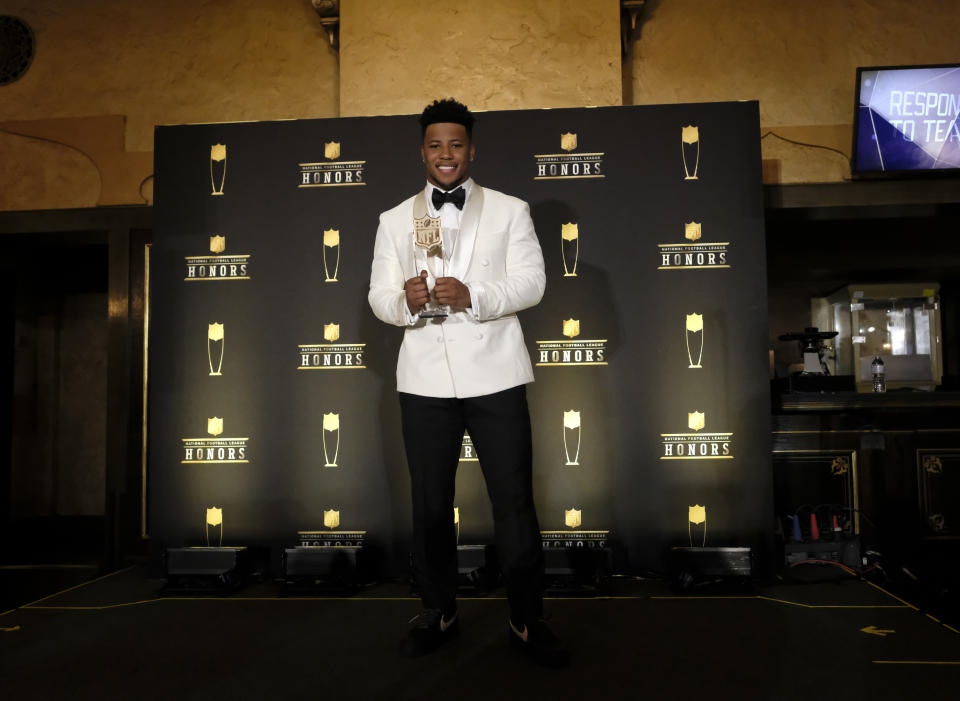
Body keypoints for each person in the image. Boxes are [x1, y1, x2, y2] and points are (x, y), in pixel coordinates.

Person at [368, 98, 569, 668]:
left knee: (513, 504)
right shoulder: (393, 219)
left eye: (456, 144)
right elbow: (378, 297)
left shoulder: (510, 210)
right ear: (422, 152)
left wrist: (475, 296)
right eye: (436, 145)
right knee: (431, 506)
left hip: (496, 375)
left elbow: (532, 283)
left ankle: (528, 618)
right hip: (425, 381)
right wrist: (403, 303)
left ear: (471, 150)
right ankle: (440, 611)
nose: (446, 154)